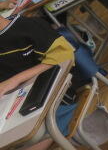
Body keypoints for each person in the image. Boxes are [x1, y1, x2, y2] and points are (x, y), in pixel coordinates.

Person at [0, 15, 78, 149]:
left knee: (30, 138)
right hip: (13, 114)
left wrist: (15, 80)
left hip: (54, 103)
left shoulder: (28, 26)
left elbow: (65, 57)